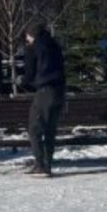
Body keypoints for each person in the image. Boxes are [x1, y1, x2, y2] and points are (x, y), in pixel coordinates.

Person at [22, 23, 66, 177]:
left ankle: (40, 164)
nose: (26, 38)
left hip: (45, 92)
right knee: (50, 130)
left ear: (32, 35)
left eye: (27, 35)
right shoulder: (55, 45)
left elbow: (29, 73)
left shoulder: (34, 48)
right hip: (60, 91)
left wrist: (23, 82)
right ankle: (47, 164)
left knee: (34, 128)